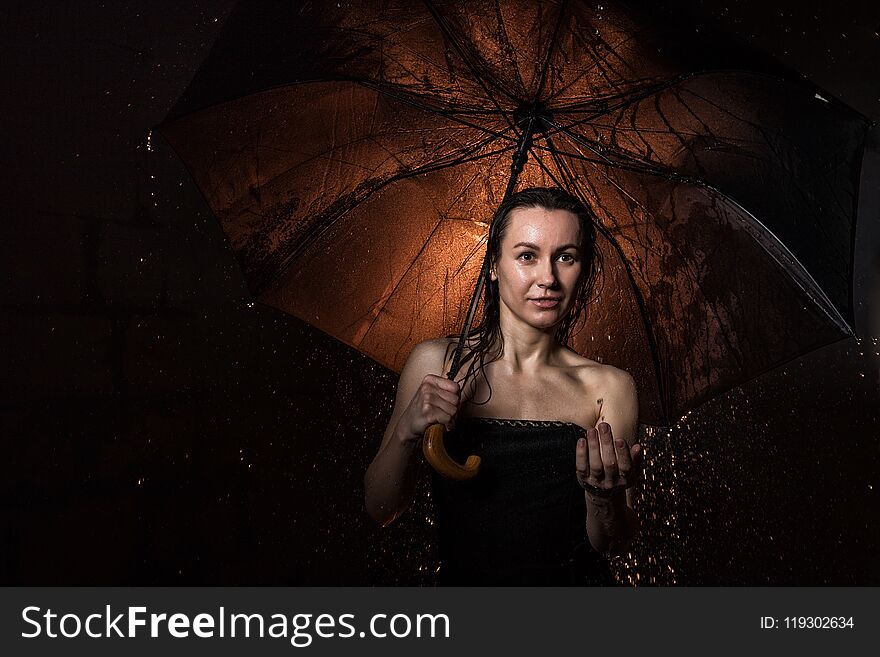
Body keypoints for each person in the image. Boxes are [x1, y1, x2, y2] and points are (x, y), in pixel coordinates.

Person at [364, 187, 642, 585]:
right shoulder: (436, 364)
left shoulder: (609, 387)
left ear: (582, 268)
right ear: (493, 265)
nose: (548, 278)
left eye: (566, 257)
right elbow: (380, 508)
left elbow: (613, 545)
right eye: (527, 256)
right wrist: (408, 431)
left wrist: (602, 496)